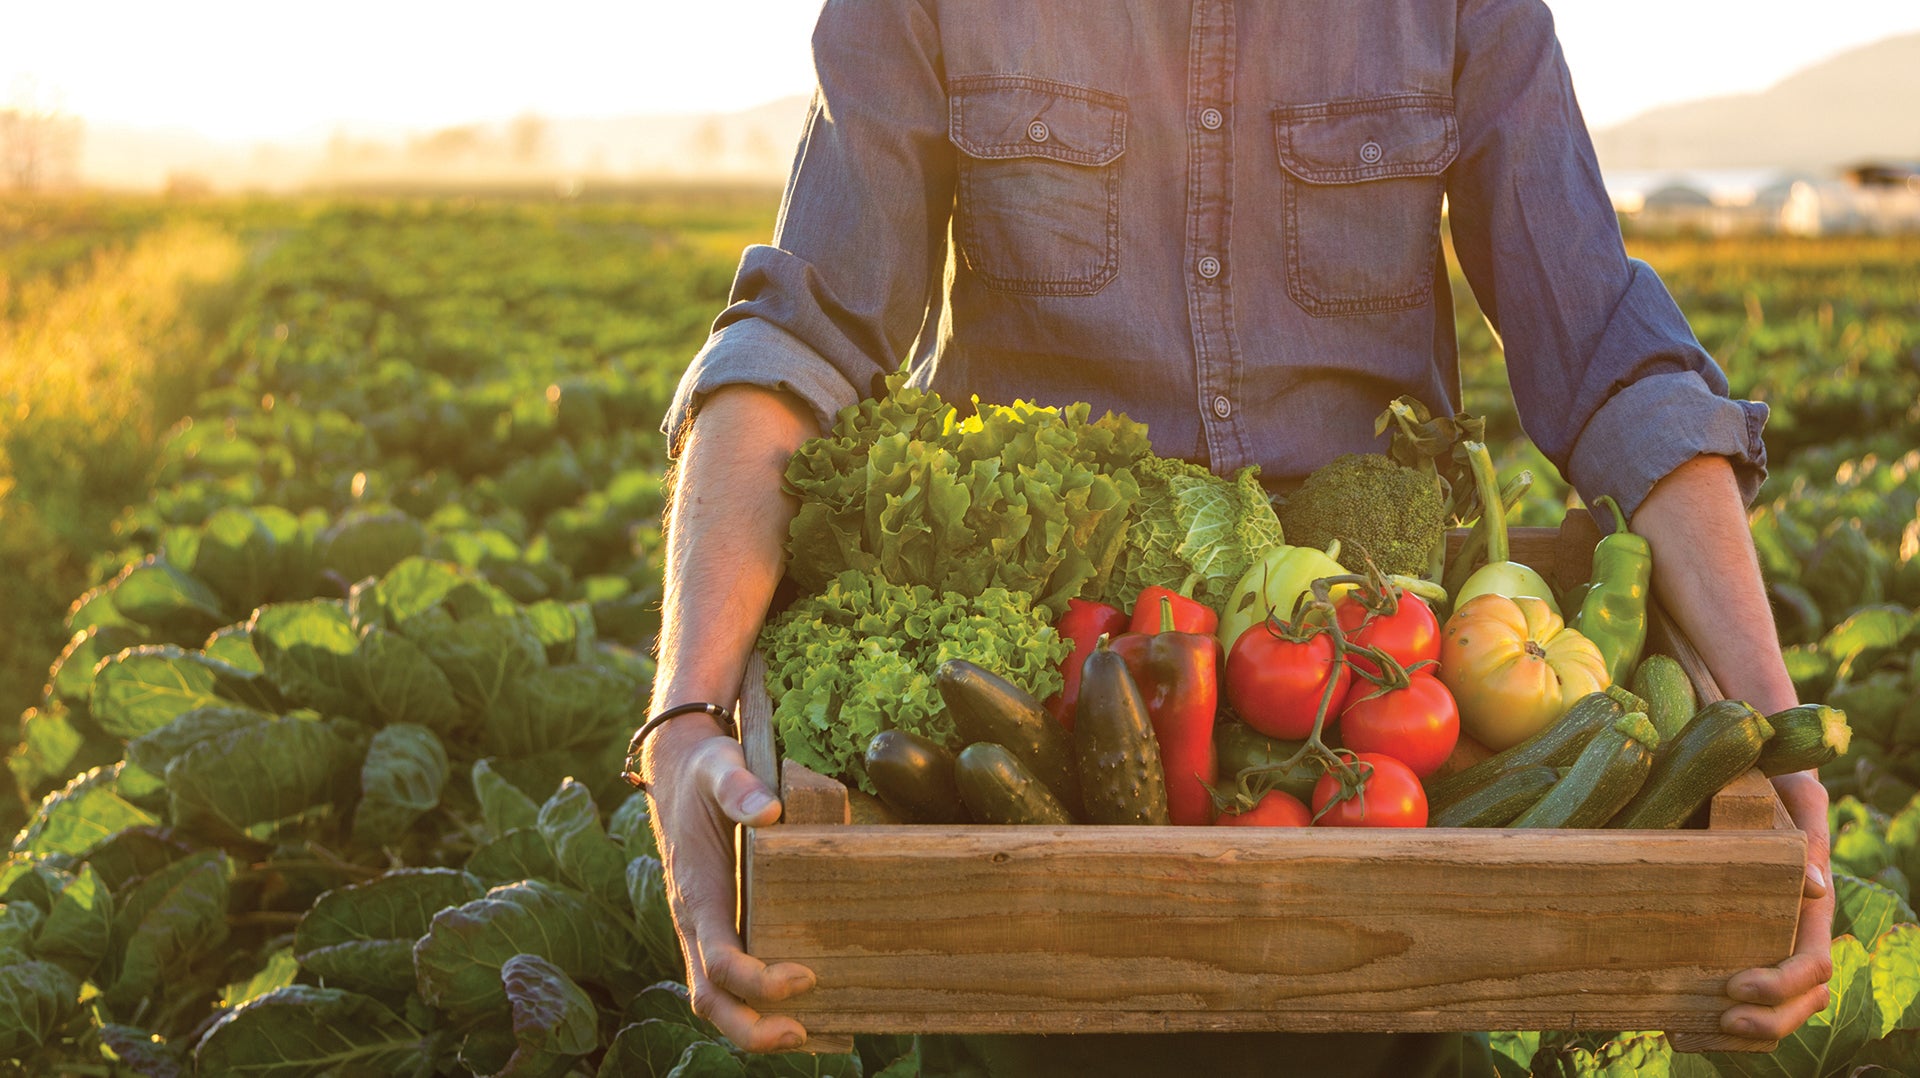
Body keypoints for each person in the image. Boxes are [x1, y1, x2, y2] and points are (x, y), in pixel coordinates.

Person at [635, 0, 1834, 1072]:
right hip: (1042, 729)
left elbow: (1613, 358)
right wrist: (686, 713)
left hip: (1376, 716)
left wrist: (1772, 734)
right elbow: (796, 342)